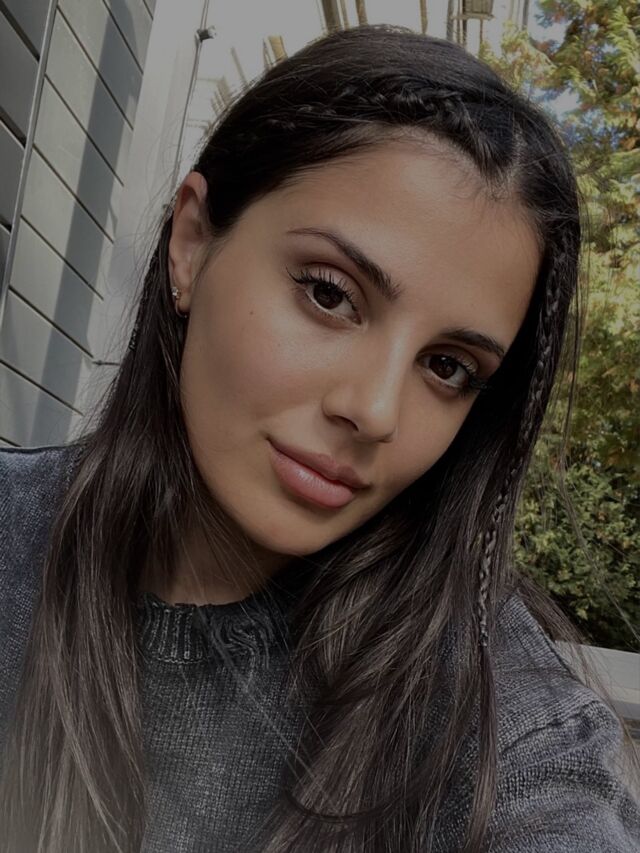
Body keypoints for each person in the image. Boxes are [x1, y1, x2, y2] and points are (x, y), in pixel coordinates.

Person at [0, 22, 638, 853]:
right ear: (191, 243)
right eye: (331, 294)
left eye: (447, 366)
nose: (376, 410)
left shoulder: (503, 729)